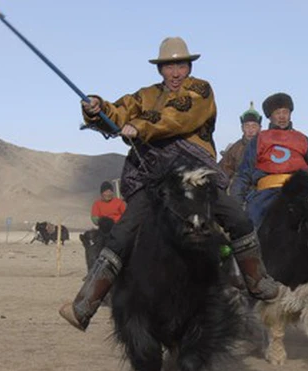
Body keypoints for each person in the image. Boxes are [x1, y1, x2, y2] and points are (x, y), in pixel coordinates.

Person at [58, 37, 285, 331]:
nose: (176, 72)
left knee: (237, 217)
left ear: (189, 66)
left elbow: (178, 118)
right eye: (169, 66)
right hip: (153, 172)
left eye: (181, 65)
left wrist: (138, 127)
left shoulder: (200, 89)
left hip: (194, 170)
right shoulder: (145, 95)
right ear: (160, 70)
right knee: (122, 233)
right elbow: (118, 112)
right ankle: (85, 304)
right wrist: (96, 108)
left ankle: (256, 281)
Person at [230, 92, 308, 227]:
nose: (282, 116)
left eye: (285, 112)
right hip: (266, 193)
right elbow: (244, 173)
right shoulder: (259, 139)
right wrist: (235, 202)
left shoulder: (301, 138)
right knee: (252, 223)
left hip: (300, 190)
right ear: (270, 116)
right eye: (278, 113)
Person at [218, 103, 262, 182]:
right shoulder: (235, 148)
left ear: (259, 128)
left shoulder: (266, 145)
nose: (250, 130)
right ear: (242, 128)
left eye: (254, 126)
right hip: (239, 185)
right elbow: (223, 170)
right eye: (247, 126)